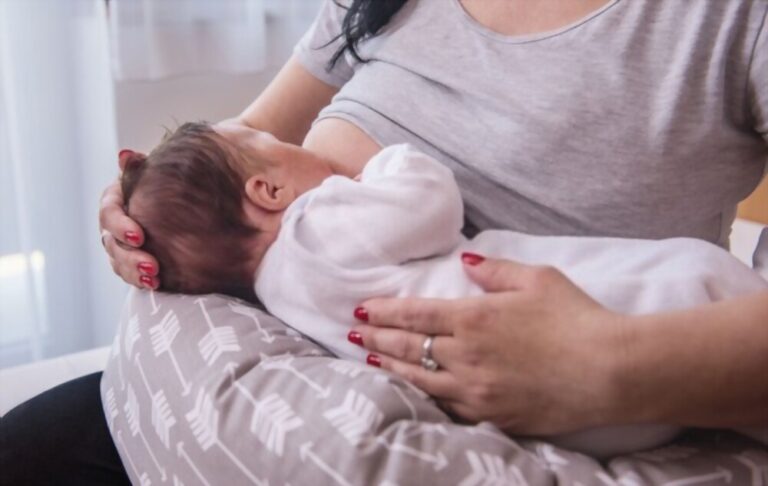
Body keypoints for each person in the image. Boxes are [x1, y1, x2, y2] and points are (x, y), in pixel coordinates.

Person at [4, 0, 767, 483]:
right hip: (282, 366)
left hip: (522, 383)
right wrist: (145, 213)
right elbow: (241, 145)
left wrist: (607, 367)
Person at [121, 120, 766, 456]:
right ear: (267, 192)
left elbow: (217, 165)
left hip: (584, 392)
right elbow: (430, 204)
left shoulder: (279, 288)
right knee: (690, 272)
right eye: (276, 144)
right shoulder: (317, 224)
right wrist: (388, 162)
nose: (290, 140)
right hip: (551, 336)